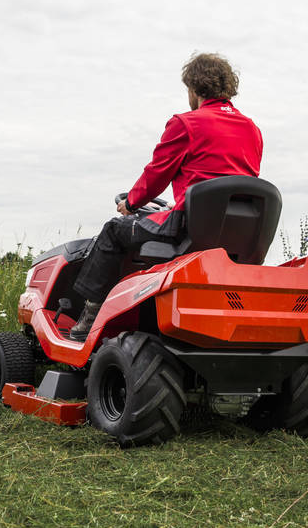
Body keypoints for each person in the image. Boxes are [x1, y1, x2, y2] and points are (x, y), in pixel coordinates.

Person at [69, 52, 264, 341]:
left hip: (189, 229)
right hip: (237, 234)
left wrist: (131, 203)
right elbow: (231, 182)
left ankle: (89, 316)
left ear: (194, 88)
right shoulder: (253, 129)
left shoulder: (186, 124)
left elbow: (156, 175)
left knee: (114, 230)